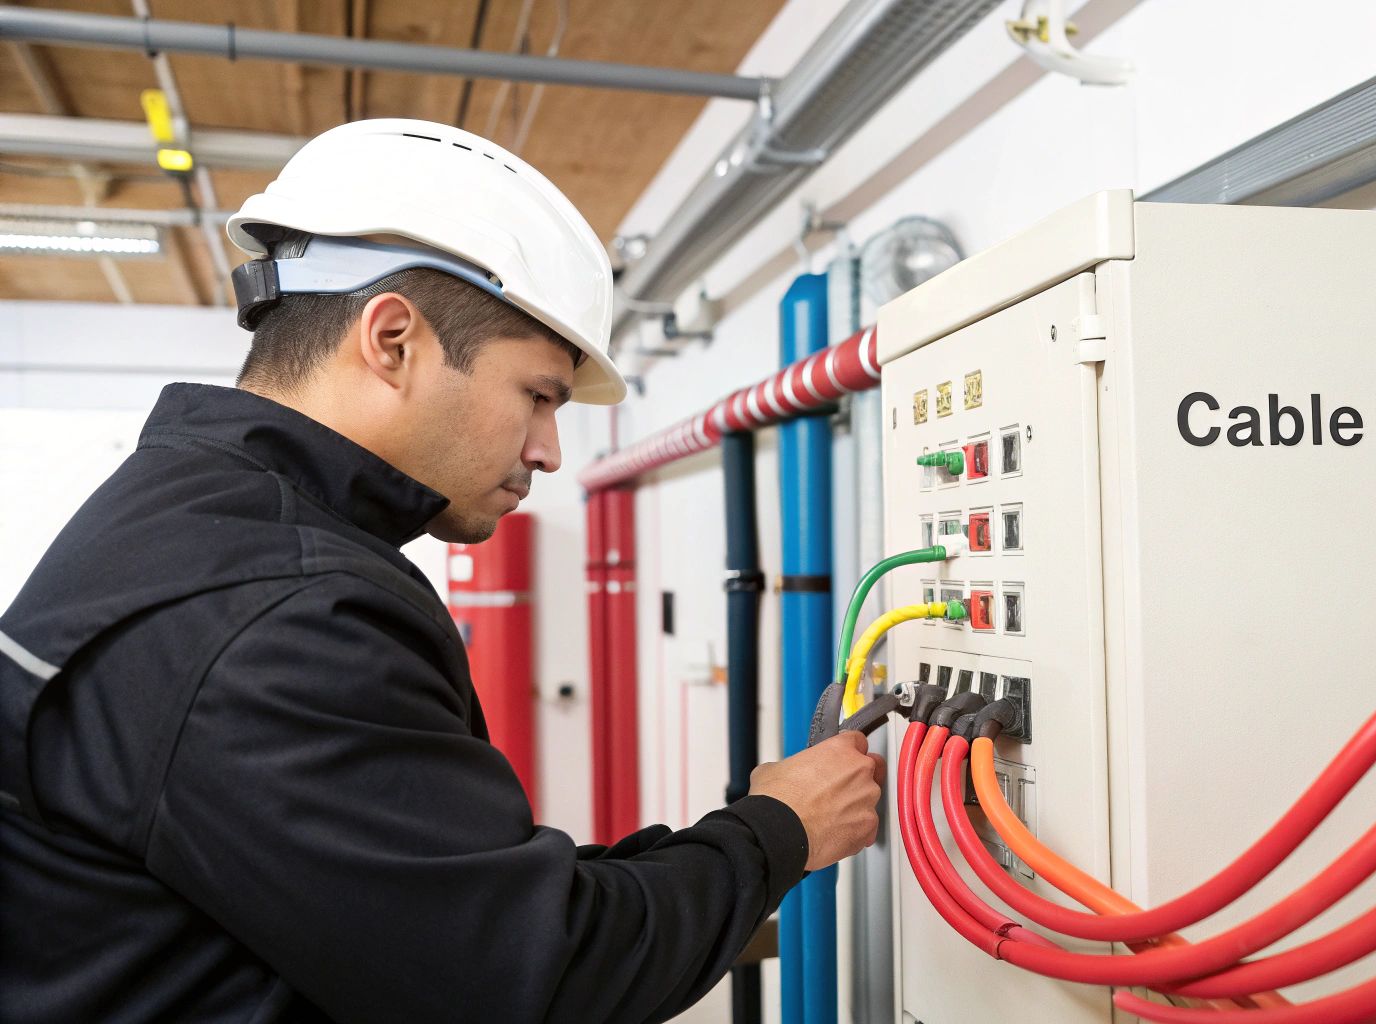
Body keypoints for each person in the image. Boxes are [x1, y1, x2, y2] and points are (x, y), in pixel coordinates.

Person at [0, 119, 885, 1023]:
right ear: (391, 340)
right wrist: (780, 832)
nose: (548, 451)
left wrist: (725, 850)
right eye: (539, 395)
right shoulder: (281, 611)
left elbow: (443, 897)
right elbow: (529, 979)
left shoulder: (193, 521)